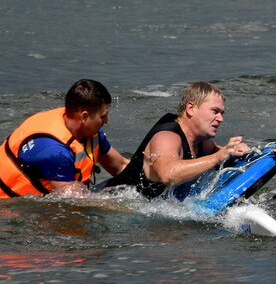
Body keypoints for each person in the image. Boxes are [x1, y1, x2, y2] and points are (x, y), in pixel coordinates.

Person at [0, 79, 129, 201]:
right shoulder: (54, 151)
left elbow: (121, 165)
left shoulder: (90, 132)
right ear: (84, 117)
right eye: (103, 116)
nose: (106, 121)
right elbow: (74, 201)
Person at [99, 81, 249, 198]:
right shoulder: (166, 137)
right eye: (215, 111)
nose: (220, 118)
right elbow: (168, 174)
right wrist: (216, 158)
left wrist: (235, 150)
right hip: (110, 203)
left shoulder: (201, 140)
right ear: (191, 109)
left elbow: (220, 153)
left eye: (222, 113)